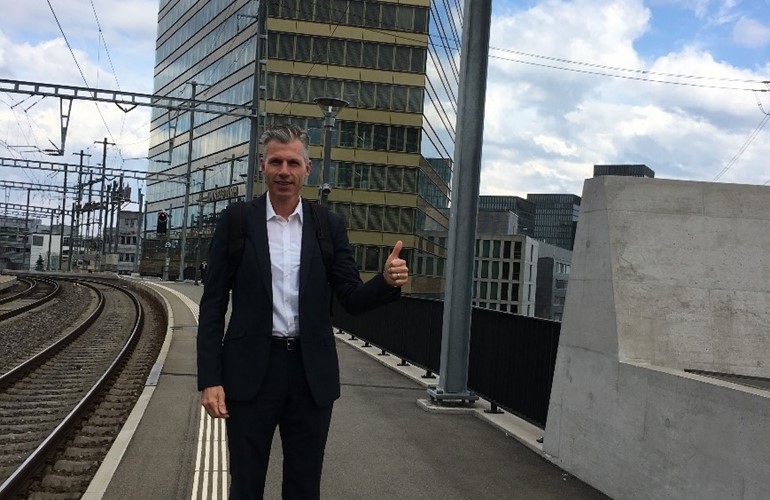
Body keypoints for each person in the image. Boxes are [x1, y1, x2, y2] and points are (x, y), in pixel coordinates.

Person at [197, 124, 408, 500]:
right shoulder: (237, 221)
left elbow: (351, 298)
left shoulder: (328, 226)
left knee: (304, 485)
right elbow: (212, 305)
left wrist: (387, 283)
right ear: (261, 165)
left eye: (293, 162)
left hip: (310, 376)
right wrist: (210, 379)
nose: (284, 170)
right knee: (245, 484)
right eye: (275, 161)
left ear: (307, 169)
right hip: (249, 374)